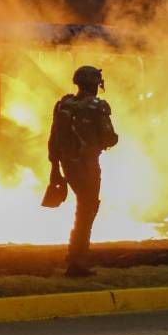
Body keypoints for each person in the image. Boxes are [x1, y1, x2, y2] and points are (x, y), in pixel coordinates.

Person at [47, 66, 119, 277]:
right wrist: (113, 140)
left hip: (67, 165)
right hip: (87, 166)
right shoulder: (98, 106)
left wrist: (55, 169)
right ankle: (77, 261)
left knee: (83, 208)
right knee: (87, 210)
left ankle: (74, 255)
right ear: (94, 84)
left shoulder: (64, 104)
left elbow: (53, 141)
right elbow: (109, 137)